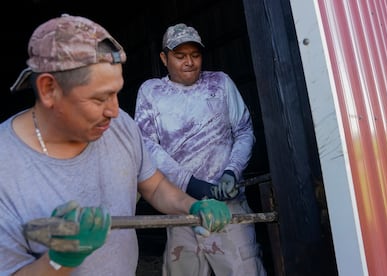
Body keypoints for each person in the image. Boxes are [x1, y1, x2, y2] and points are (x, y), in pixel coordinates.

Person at [0, 15, 232, 276]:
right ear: (48, 89)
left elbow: (153, 186)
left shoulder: (120, 126)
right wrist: (60, 259)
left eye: (116, 93)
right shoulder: (6, 165)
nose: (114, 110)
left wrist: (191, 206)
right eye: (100, 98)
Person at [134, 23, 266, 276]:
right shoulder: (151, 91)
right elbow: (147, 145)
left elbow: (244, 131)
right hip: (182, 206)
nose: (189, 62)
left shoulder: (220, 83)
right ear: (164, 58)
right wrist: (191, 184)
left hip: (228, 205)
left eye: (195, 55)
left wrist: (231, 172)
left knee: (243, 270)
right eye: (180, 56)